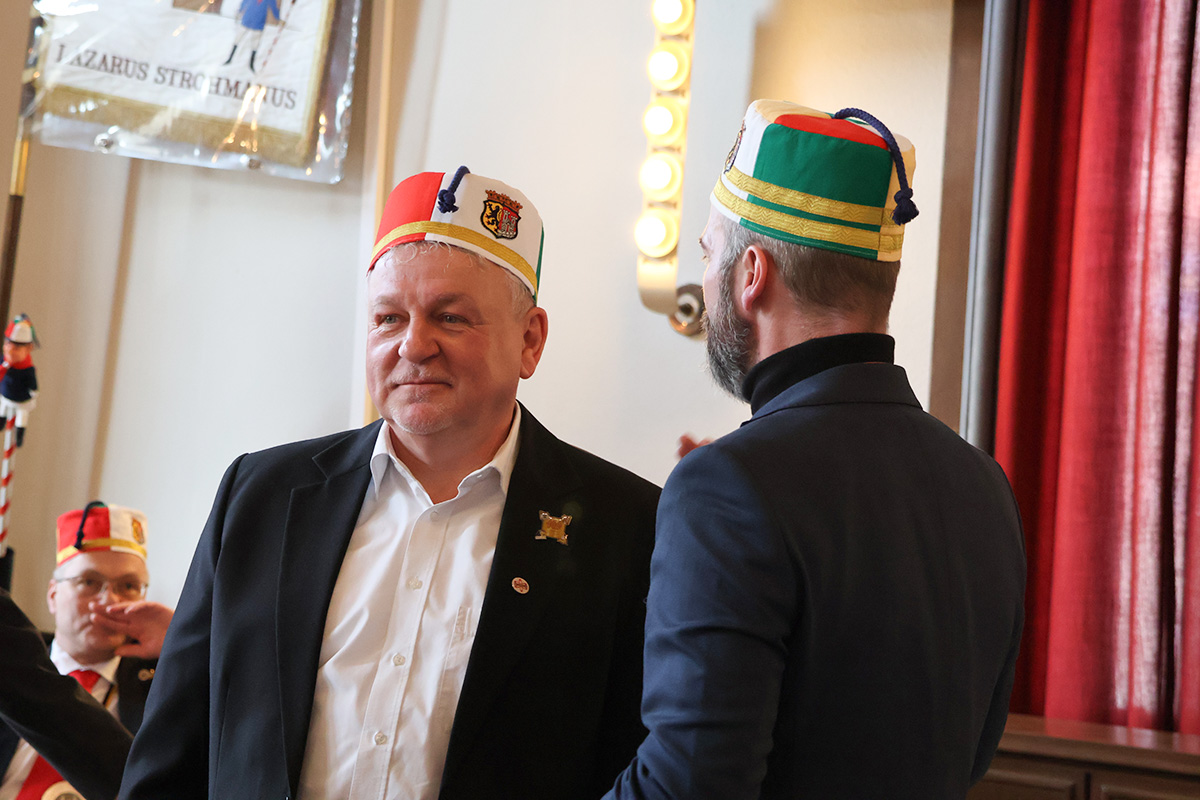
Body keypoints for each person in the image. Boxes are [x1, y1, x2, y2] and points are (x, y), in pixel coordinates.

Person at [120, 167, 660, 800]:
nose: (413, 346)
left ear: (530, 341)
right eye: (387, 318)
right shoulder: (262, 496)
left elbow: (642, 764)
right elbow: (170, 760)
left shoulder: (628, 528)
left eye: (451, 318)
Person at [605, 101, 1026, 799]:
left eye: (708, 254)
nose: (704, 281)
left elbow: (687, 787)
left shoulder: (726, 486)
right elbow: (973, 754)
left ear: (751, 275)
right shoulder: (983, 482)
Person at [0, 502, 171, 800]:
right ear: (53, 595)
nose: (109, 600)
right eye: (89, 582)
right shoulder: (12, 662)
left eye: (128, 586)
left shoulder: (164, 684)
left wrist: (180, 646)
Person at [0, 315, 38, 448]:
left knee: (21, 418)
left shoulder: (27, 369)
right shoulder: (3, 362)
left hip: (21, 400)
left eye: (16, 348)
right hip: (5, 395)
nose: (10, 350)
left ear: (28, 349)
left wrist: (33, 393)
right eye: (8, 344)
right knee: (2, 410)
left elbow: (32, 385)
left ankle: (19, 435)